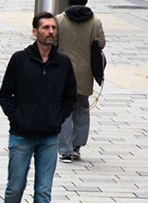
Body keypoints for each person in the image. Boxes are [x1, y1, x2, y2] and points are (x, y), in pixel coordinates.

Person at [0, 11, 76, 203]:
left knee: (43, 192)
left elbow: (70, 98)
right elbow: (4, 95)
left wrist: (57, 119)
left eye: (53, 28)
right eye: (45, 28)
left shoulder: (62, 64)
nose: (51, 32)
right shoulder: (20, 60)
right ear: (35, 32)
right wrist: (17, 118)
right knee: (14, 189)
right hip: (21, 136)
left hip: (48, 138)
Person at [55, 0, 105, 162]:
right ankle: (77, 146)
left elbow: (53, 43)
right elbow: (101, 44)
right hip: (85, 73)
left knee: (64, 111)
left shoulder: (59, 20)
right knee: (82, 108)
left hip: (63, 72)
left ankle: (65, 150)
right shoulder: (95, 21)